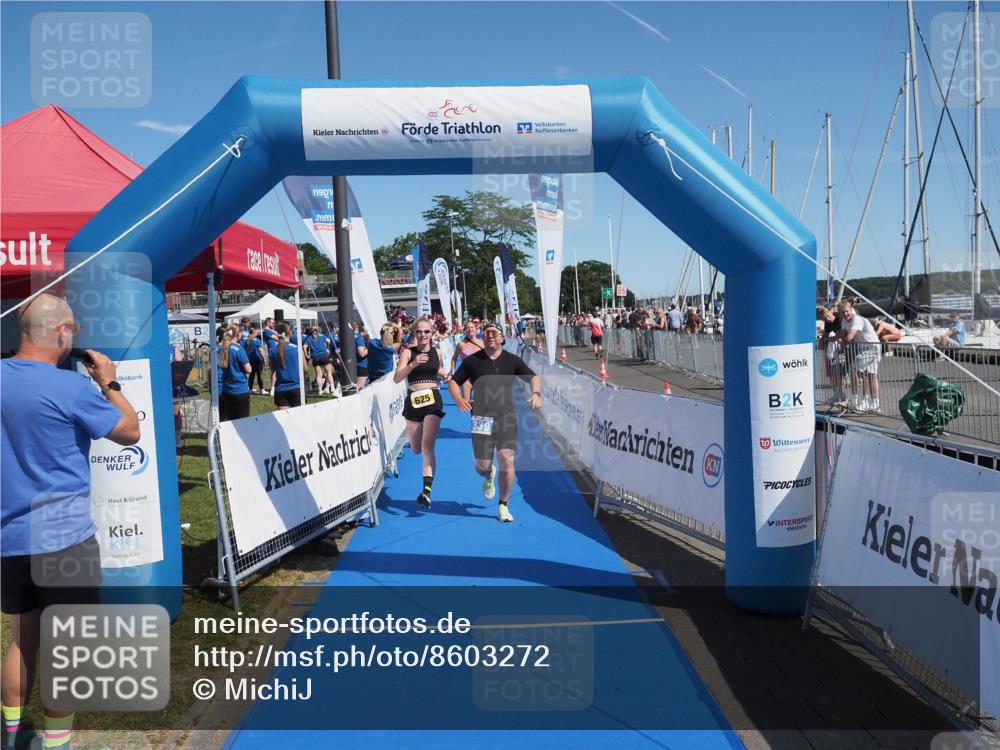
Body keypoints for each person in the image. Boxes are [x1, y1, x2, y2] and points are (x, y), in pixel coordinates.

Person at [1, 294, 140, 750]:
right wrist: (110, 383)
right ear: (61, 332)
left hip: (9, 536)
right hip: (63, 539)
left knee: (23, 639)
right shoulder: (71, 387)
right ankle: (57, 742)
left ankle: (13, 734)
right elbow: (129, 431)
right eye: (73, 330)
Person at [448, 323, 541, 523]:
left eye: (494, 333)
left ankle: (503, 505)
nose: (490, 336)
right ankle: (488, 473)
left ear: (501, 338)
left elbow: (533, 378)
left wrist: (536, 394)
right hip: (481, 418)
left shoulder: (512, 361)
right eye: (487, 333)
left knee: (507, 459)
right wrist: (459, 399)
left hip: (506, 418)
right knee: (482, 466)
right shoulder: (473, 361)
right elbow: (454, 381)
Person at [394, 317, 450, 508]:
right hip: (413, 399)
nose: (423, 335)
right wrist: (413, 364)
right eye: (419, 331)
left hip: (433, 398)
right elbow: (396, 378)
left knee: (427, 446)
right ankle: (426, 488)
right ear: (414, 333)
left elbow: (438, 370)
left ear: (432, 333)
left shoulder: (438, 352)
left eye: (427, 331)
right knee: (416, 448)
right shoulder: (408, 353)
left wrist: (448, 377)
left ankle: (426, 491)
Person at [836, 299, 882, 413]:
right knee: (870, 375)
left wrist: (842, 339)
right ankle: (874, 405)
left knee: (854, 369)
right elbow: (842, 333)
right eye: (842, 313)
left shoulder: (857, 319)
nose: (845, 314)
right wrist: (840, 337)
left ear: (851, 309)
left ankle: (855, 401)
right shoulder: (845, 321)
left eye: (847, 311)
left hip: (872, 347)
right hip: (867, 348)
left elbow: (849, 337)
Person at [218, 323, 252, 421]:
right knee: (243, 421)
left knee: (230, 420)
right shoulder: (238, 348)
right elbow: (248, 369)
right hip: (240, 389)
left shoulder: (223, 348)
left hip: (227, 389)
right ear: (238, 334)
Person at [452, 320, 485, 400]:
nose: (470, 329)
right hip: (466, 377)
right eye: (467, 328)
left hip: (481, 375)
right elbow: (454, 359)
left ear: (475, 328)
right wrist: (453, 374)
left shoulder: (482, 343)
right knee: (468, 402)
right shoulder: (461, 344)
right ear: (464, 330)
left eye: (472, 327)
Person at [272, 322, 302, 410]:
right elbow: (304, 369)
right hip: (296, 387)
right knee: (298, 420)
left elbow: (273, 369)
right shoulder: (296, 348)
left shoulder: (272, 350)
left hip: (281, 389)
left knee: (283, 420)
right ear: (290, 332)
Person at [304, 326, 336, 395]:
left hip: (315, 357)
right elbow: (329, 341)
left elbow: (304, 346)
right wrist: (328, 348)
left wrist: (306, 354)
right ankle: (332, 388)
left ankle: (320, 390)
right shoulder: (322, 335)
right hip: (323, 355)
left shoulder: (308, 338)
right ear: (318, 330)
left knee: (318, 374)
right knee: (328, 371)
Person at [354, 324, 370, 389]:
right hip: (362, 365)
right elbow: (362, 354)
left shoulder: (346, 336)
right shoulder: (359, 337)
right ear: (357, 326)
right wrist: (370, 347)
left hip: (353, 365)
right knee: (360, 388)